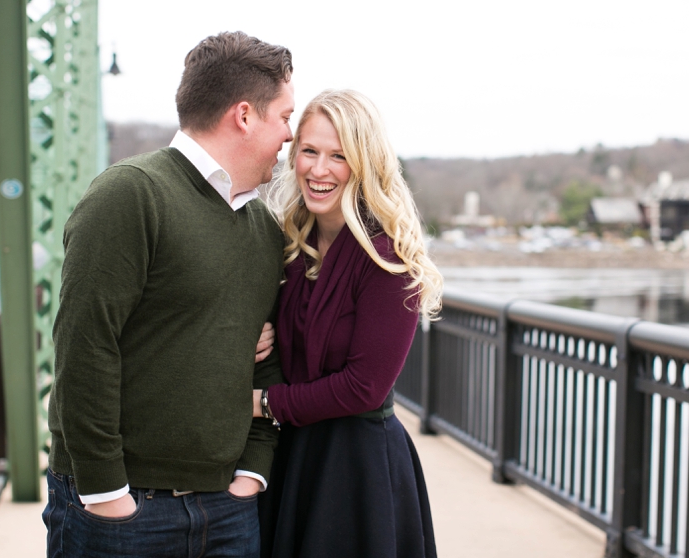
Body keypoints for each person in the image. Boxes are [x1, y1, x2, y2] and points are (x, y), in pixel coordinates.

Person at [44, 31, 294, 557]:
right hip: (121, 510)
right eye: (285, 117)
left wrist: (252, 470)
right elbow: (83, 346)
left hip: (227, 510)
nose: (288, 136)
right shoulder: (131, 194)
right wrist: (107, 494)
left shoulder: (264, 229)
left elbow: (267, 360)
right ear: (245, 116)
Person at [254, 89, 442, 558]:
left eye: (339, 156)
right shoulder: (292, 247)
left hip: (357, 473)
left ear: (364, 164)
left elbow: (364, 387)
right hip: (294, 458)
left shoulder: (388, 259)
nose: (319, 170)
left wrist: (261, 403)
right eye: (309, 151)